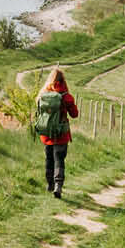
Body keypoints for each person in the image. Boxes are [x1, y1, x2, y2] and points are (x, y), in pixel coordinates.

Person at [34, 67, 79, 199]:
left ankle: (49, 185)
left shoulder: (43, 94)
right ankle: (58, 186)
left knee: (49, 159)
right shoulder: (66, 96)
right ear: (63, 80)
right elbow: (75, 114)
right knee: (59, 159)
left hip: (46, 133)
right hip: (61, 134)